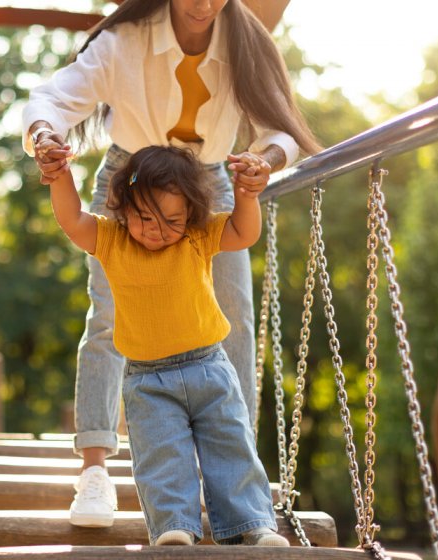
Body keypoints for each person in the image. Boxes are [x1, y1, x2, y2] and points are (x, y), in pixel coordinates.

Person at [22, 0, 319, 527]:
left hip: (207, 185)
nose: (203, 4)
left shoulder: (245, 43)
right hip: (131, 182)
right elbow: (54, 97)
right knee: (111, 319)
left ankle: (234, 482)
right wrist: (46, 135)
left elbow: (280, 130)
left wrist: (262, 163)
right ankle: (94, 470)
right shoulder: (126, 41)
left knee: (232, 321)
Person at [45, 143, 291, 546]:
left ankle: (252, 524)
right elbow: (72, 220)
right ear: (122, 208)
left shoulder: (197, 236)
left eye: (172, 219)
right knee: (162, 455)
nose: (157, 229)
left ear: (190, 214)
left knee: (231, 444)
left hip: (210, 367)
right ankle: (175, 526)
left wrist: (246, 196)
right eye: (145, 218)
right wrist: (60, 177)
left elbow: (245, 233)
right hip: (148, 380)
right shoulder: (111, 240)